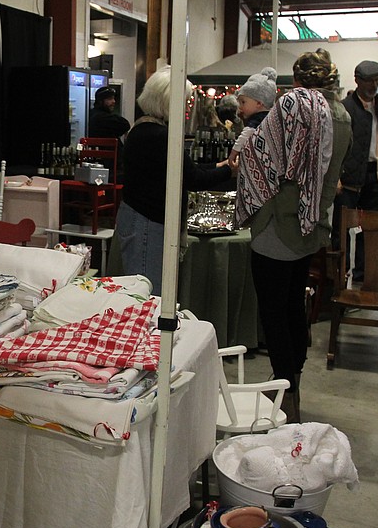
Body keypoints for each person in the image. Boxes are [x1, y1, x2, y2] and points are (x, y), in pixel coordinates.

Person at [235, 49, 351, 423]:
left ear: (297, 79)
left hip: (277, 223)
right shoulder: (341, 114)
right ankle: (292, 379)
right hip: (312, 222)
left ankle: (286, 390)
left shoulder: (292, 106)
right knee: (292, 305)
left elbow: (262, 159)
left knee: (273, 309)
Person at [117, 66, 234, 294]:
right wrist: (228, 171)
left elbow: (182, 169)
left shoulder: (144, 129)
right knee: (147, 295)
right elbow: (192, 177)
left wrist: (217, 166)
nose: (186, 106)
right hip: (148, 223)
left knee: (144, 293)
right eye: (185, 101)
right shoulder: (159, 136)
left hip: (141, 218)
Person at [335, 60, 378, 282]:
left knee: (370, 228)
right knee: (343, 230)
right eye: (369, 80)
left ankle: (365, 273)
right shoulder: (345, 107)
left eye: (377, 80)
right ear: (357, 80)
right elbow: (337, 144)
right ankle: (341, 273)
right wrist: (336, 178)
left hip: (374, 174)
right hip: (348, 177)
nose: (373, 85)